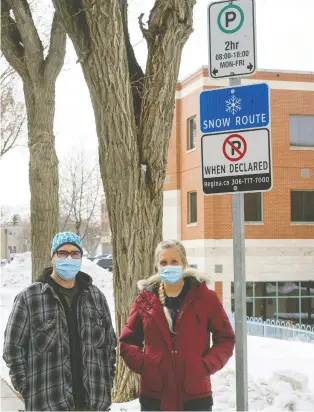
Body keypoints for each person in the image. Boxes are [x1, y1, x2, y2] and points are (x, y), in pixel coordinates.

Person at [3, 232, 117, 411]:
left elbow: (109, 346)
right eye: (62, 253)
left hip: (93, 405)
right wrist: (28, 389)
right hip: (48, 403)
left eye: (75, 253)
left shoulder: (96, 297)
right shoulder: (30, 298)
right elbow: (13, 349)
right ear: (53, 256)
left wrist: (106, 383)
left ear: (81, 257)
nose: (69, 258)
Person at [120, 239, 235, 411]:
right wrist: (147, 366)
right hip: (155, 396)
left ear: (184, 264)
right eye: (163, 262)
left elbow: (225, 339)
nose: (169, 266)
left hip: (195, 395)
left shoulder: (205, 298)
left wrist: (205, 366)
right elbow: (127, 342)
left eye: (175, 261)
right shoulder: (145, 300)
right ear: (157, 267)